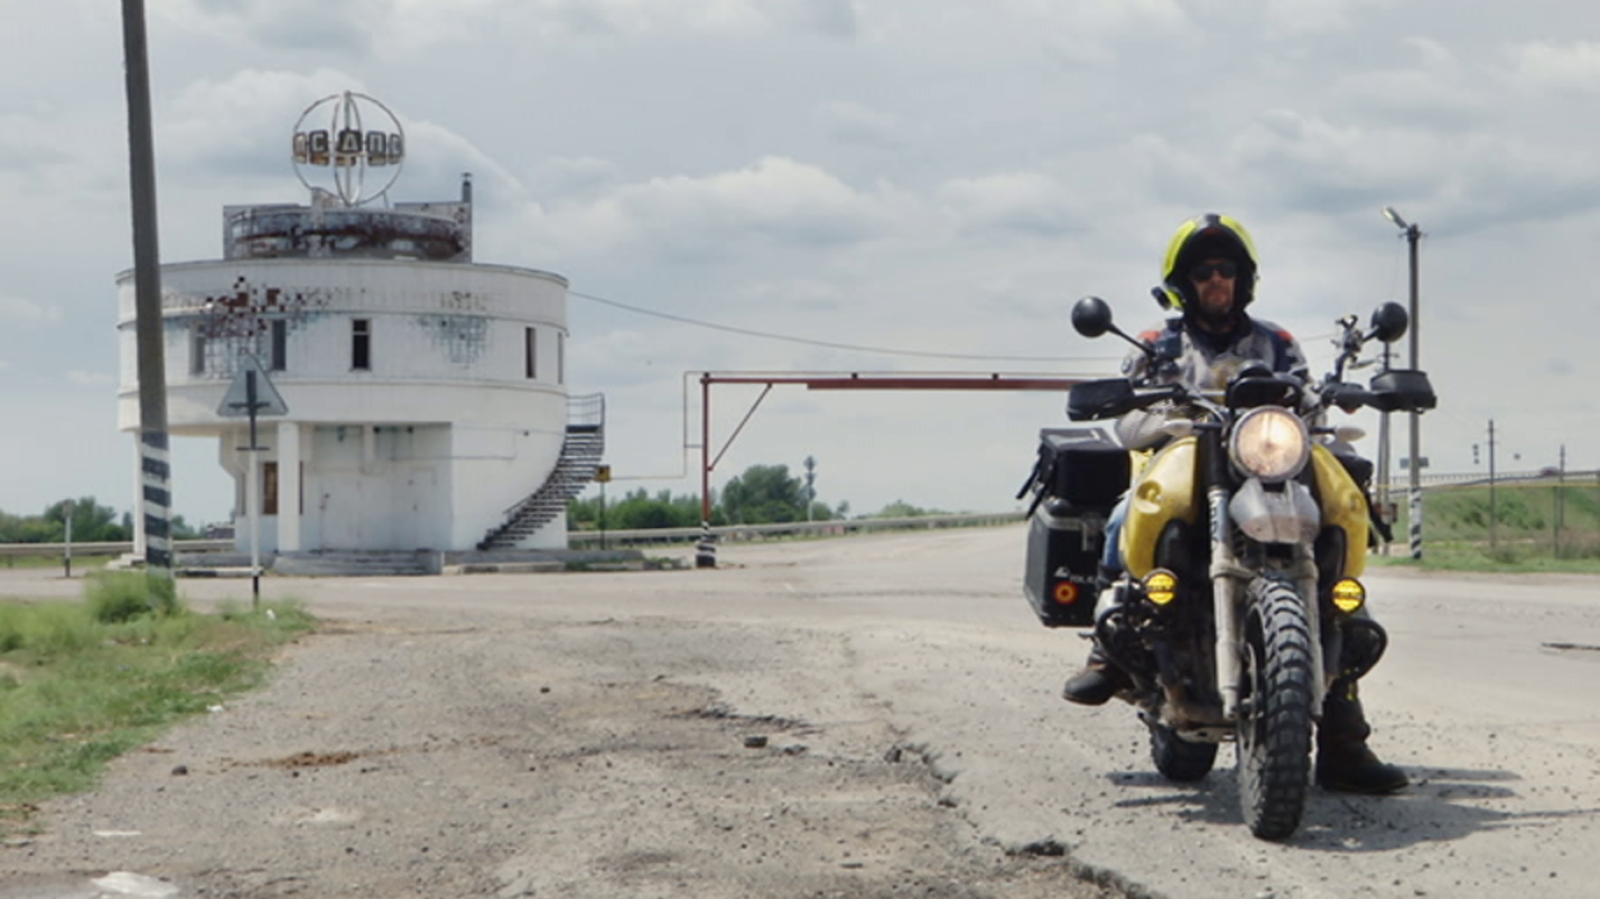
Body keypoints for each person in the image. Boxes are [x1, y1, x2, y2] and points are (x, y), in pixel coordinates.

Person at [1060, 212, 1409, 795]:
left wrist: (1337, 397)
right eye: (1204, 272)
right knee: (1126, 511)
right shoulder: (1157, 344)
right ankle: (1107, 655)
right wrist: (1165, 415)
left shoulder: (1278, 343)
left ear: (1243, 279)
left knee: (1342, 513)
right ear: (1184, 282)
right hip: (1183, 466)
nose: (1216, 280)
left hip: (1267, 465)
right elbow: (1126, 423)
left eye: (1226, 269)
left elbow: (1309, 404)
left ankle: (1344, 744)